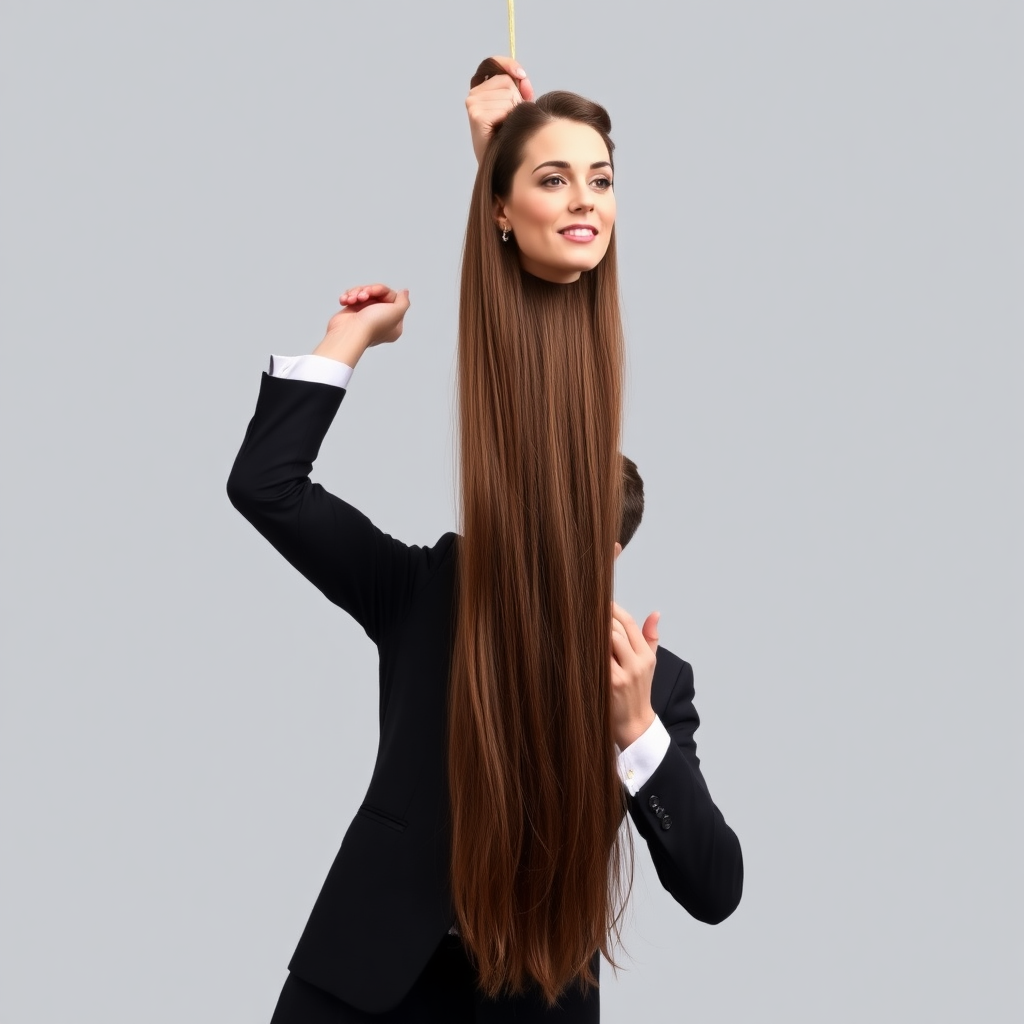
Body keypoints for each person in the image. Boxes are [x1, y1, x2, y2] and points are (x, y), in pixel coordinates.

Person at [227, 61, 742, 1022]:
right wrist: (349, 336)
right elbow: (266, 487)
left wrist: (636, 731)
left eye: (601, 177)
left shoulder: (652, 682)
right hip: (363, 983)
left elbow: (717, 889)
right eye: (558, 177)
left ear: (615, 555)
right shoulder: (433, 590)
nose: (585, 197)